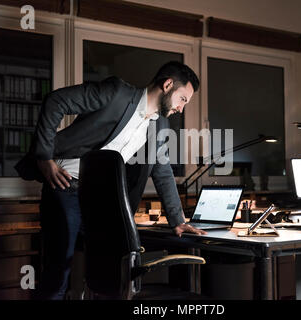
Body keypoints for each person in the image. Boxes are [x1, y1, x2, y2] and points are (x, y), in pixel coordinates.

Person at [15, 61, 207, 300]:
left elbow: (163, 170)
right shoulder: (116, 93)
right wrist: (44, 158)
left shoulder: (160, 124)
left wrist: (177, 220)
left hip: (101, 200)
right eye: (183, 100)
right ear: (167, 85)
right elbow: (56, 101)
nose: (182, 108)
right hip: (65, 186)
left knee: (113, 270)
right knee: (57, 273)